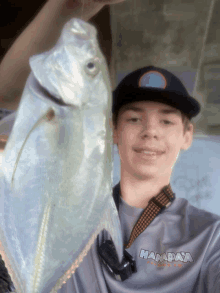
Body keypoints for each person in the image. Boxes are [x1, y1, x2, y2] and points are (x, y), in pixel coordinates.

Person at [57, 66, 220, 293]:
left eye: (166, 121)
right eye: (134, 119)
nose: (150, 131)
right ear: (114, 130)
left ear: (187, 135)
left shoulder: (211, 236)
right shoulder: (67, 222)